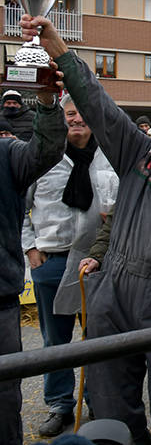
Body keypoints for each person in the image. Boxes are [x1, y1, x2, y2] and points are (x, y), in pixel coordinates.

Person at [21, 13, 151, 445]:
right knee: (111, 408)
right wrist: (58, 48)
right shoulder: (138, 153)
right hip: (114, 294)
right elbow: (97, 102)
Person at [21, 95, 118, 437]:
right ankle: (60, 404)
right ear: (61, 117)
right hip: (51, 260)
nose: (77, 119)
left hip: (97, 263)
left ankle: (94, 400)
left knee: (97, 337)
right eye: (70, 113)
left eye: (82, 112)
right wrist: (30, 247)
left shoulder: (112, 156)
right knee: (55, 340)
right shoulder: (42, 157)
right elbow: (20, 203)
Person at [0, 74, 66, 445]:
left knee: (4, 398)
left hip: (0, 300)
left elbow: (46, 150)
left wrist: (45, 102)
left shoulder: (7, 153)